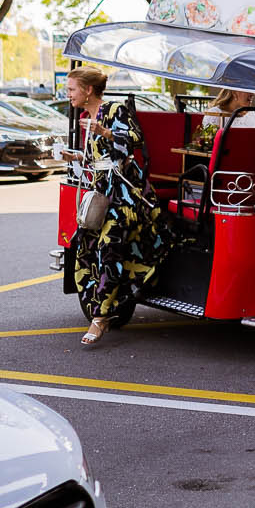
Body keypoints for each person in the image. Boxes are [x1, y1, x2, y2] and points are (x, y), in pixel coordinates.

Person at [64, 66, 175, 347]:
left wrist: (105, 131)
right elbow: (98, 159)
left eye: (72, 89)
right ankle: (103, 306)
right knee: (85, 247)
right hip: (102, 190)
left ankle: (100, 318)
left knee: (109, 245)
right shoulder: (84, 116)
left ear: (88, 90)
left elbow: (134, 141)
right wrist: (73, 155)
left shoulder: (114, 109)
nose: (68, 95)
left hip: (125, 193)